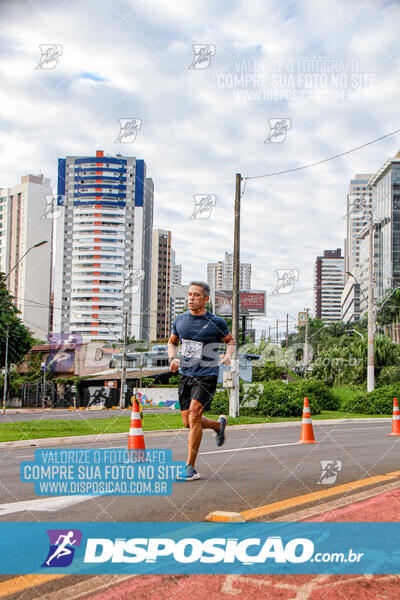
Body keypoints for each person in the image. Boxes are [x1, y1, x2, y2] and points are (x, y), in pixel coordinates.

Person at [168, 281, 235, 481]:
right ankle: (217, 426)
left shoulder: (217, 322)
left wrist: (228, 355)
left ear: (206, 299)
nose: (191, 298)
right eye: (189, 294)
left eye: (196, 295)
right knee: (187, 422)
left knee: (195, 414)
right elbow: (172, 342)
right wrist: (173, 358)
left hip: (207, 374)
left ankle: (190, 467)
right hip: (186, 374)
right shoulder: (180, 320)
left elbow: (230, 340)